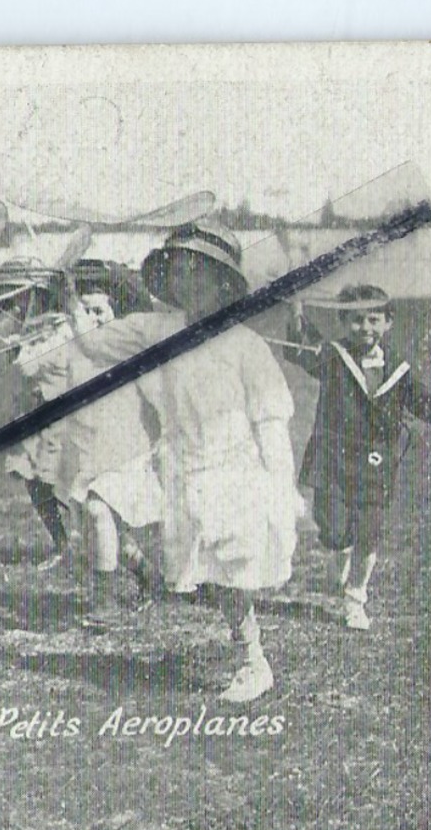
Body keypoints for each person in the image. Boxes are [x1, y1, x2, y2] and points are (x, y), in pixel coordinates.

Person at [72, 223, 298, 703]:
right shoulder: (155, 330)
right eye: (177, 270)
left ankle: (252, 661)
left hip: (231, 470)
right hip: (171, 464)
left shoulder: (244, 345)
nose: (186, 281)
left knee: (228, 574)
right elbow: (94, 344)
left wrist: (282, 488)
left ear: (224, 282)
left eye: (197, 271)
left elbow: (272, 418)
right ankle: (137, 582)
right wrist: (67, 303)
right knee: (104, 504)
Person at [282, 284, 431, 630]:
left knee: (369, 532)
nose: (365, 327)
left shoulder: (398, 367)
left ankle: (356, 599)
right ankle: (340, 551)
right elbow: (300, 349)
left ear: (388, 322)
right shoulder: (332, 356)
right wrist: (296, 312)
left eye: (373, 319)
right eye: (355, 320)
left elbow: (425, 403)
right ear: (342, 321)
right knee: (334, 530)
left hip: (375, 464)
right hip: (333, 461)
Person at [59, 260, 164, 626]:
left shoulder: (124, 346)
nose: (94, 318)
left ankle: (104, 604)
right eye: (88, 312)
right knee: (111, 530)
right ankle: (151, 579)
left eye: (100, 310)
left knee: (98, 511)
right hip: (92, 449)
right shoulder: (78, 348)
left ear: (115, 312)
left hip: (129, 447)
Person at [0, 269, 75, 570]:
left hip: (60, 416)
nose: (18, 302)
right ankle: (62, 544)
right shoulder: (25, 325)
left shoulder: (61, 328)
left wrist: (19, 347)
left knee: (60, 484)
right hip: (32, 416)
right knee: (33, 481)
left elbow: (28, 367)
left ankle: (102, 544)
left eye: (23, 294)